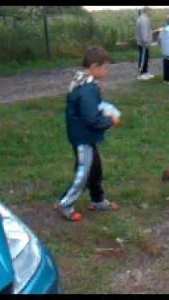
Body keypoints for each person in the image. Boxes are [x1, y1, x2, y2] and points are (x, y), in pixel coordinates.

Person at [55, 45, 121, 222]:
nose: (107, 71)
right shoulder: (88, 89)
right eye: (105, 67)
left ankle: (98, 200)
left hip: (83, 134)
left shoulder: (83, 82)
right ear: (94, 67)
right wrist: (110, 121)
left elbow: (93, 107)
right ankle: (65, 203)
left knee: (95, 168)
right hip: (83, 136)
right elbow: (91, 118)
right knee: (84, 172)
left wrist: (107, 109)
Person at [135, 6, 155, 81]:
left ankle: (146, 72)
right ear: (147, 11)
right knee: (143, 58)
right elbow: (144, 31)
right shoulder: (143, 19)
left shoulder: (145, 18)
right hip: (143, 43)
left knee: (146, 57)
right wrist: (146, 41)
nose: (151, 13)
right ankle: (142, 73)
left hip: (144, 43)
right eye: (150, 11)